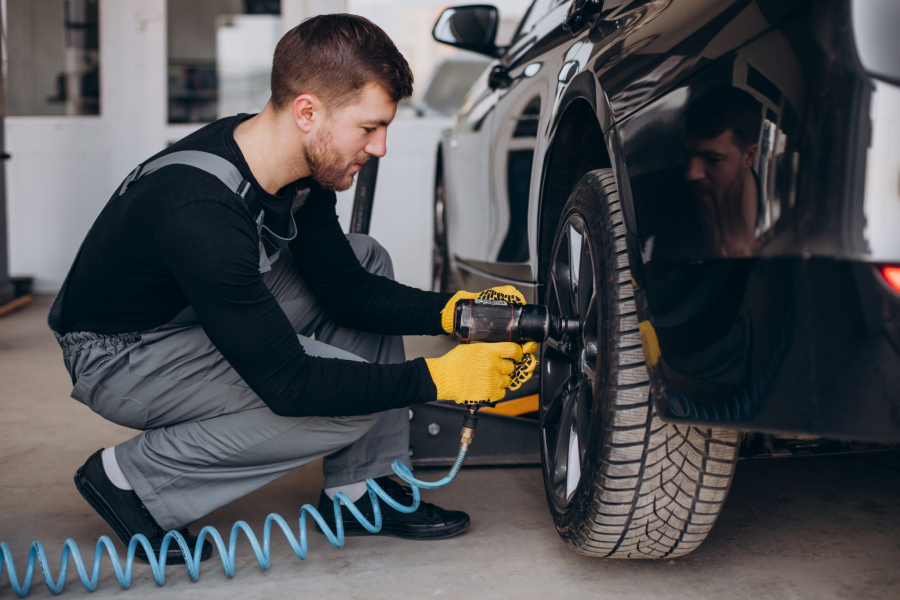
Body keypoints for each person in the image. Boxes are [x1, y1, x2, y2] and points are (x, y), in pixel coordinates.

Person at [48, 14, 537, 564]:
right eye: (369, 128)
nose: (379, 149)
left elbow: (347, 289)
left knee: (363, 255)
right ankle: (135, 479)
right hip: (121, 356)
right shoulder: (201, 212)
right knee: (346, 404)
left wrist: (459, 312)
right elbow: (289, 383)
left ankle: (360, 489)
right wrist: (438, 377)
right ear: (308, 111)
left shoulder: (293, 165)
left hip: (183, 315)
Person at [683, 86, 762, 258]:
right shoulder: (666, 205)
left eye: (712, 159)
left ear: (749, 157)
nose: (690, 173)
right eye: (687, 155)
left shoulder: (778, 223)